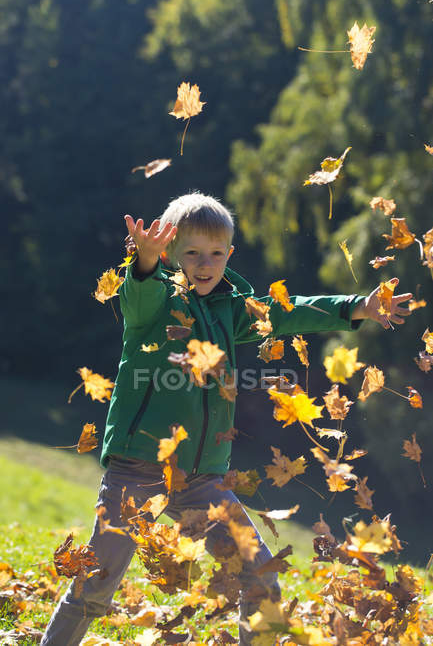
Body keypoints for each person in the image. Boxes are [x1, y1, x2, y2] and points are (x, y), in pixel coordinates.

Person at [41, 192, 412, 645]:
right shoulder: (154, 305)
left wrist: (356, 306)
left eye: (216, 253)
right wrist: (146, 262)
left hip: (203, 482)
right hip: (136, 473)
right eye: (192, 252)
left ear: (229, 255)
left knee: (260, 575)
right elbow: (140, 294)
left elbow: (286, 311)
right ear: (172, 252)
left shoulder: (231, 309)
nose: (204, 263)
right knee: (94, 587)